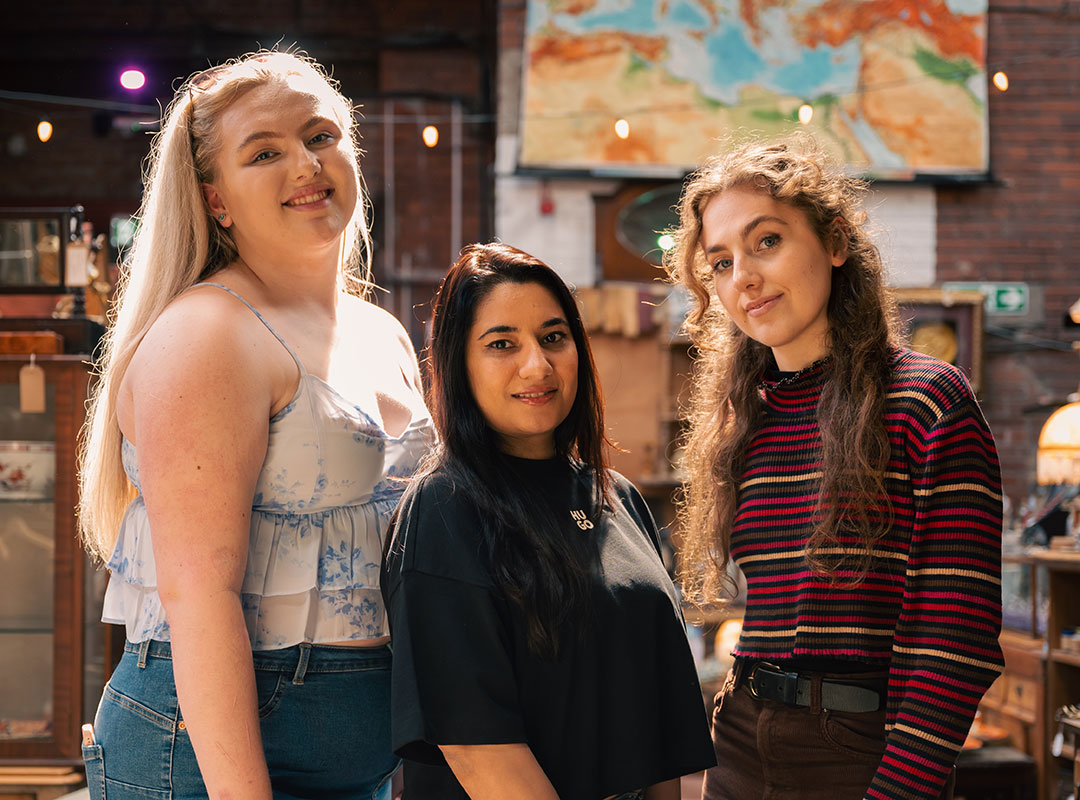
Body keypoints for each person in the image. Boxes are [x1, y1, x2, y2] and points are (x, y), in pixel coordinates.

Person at [77, 51, 434, 800]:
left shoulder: (382, 330)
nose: (305, 164)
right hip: (210, 748)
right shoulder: (209, 332)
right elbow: (198, 596)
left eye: (321, 136)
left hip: (364, 745)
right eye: (264, 152)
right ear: (217, 201)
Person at [664, 134, 1004, 800]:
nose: (744, 278)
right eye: (721, 262)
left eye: (767, 241)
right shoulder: (746, 419)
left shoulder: (926, 401)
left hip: (858, 752)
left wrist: (900, 788)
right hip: (739, 740)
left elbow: (955, 638)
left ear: (836, 242)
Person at [381, 242, 716, 800]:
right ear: (458, 365)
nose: (537, 365)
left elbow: (661, 721)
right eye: (502, 344)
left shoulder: (618, 497)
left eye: (553, 338)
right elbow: (476, 747)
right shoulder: (444, 511)